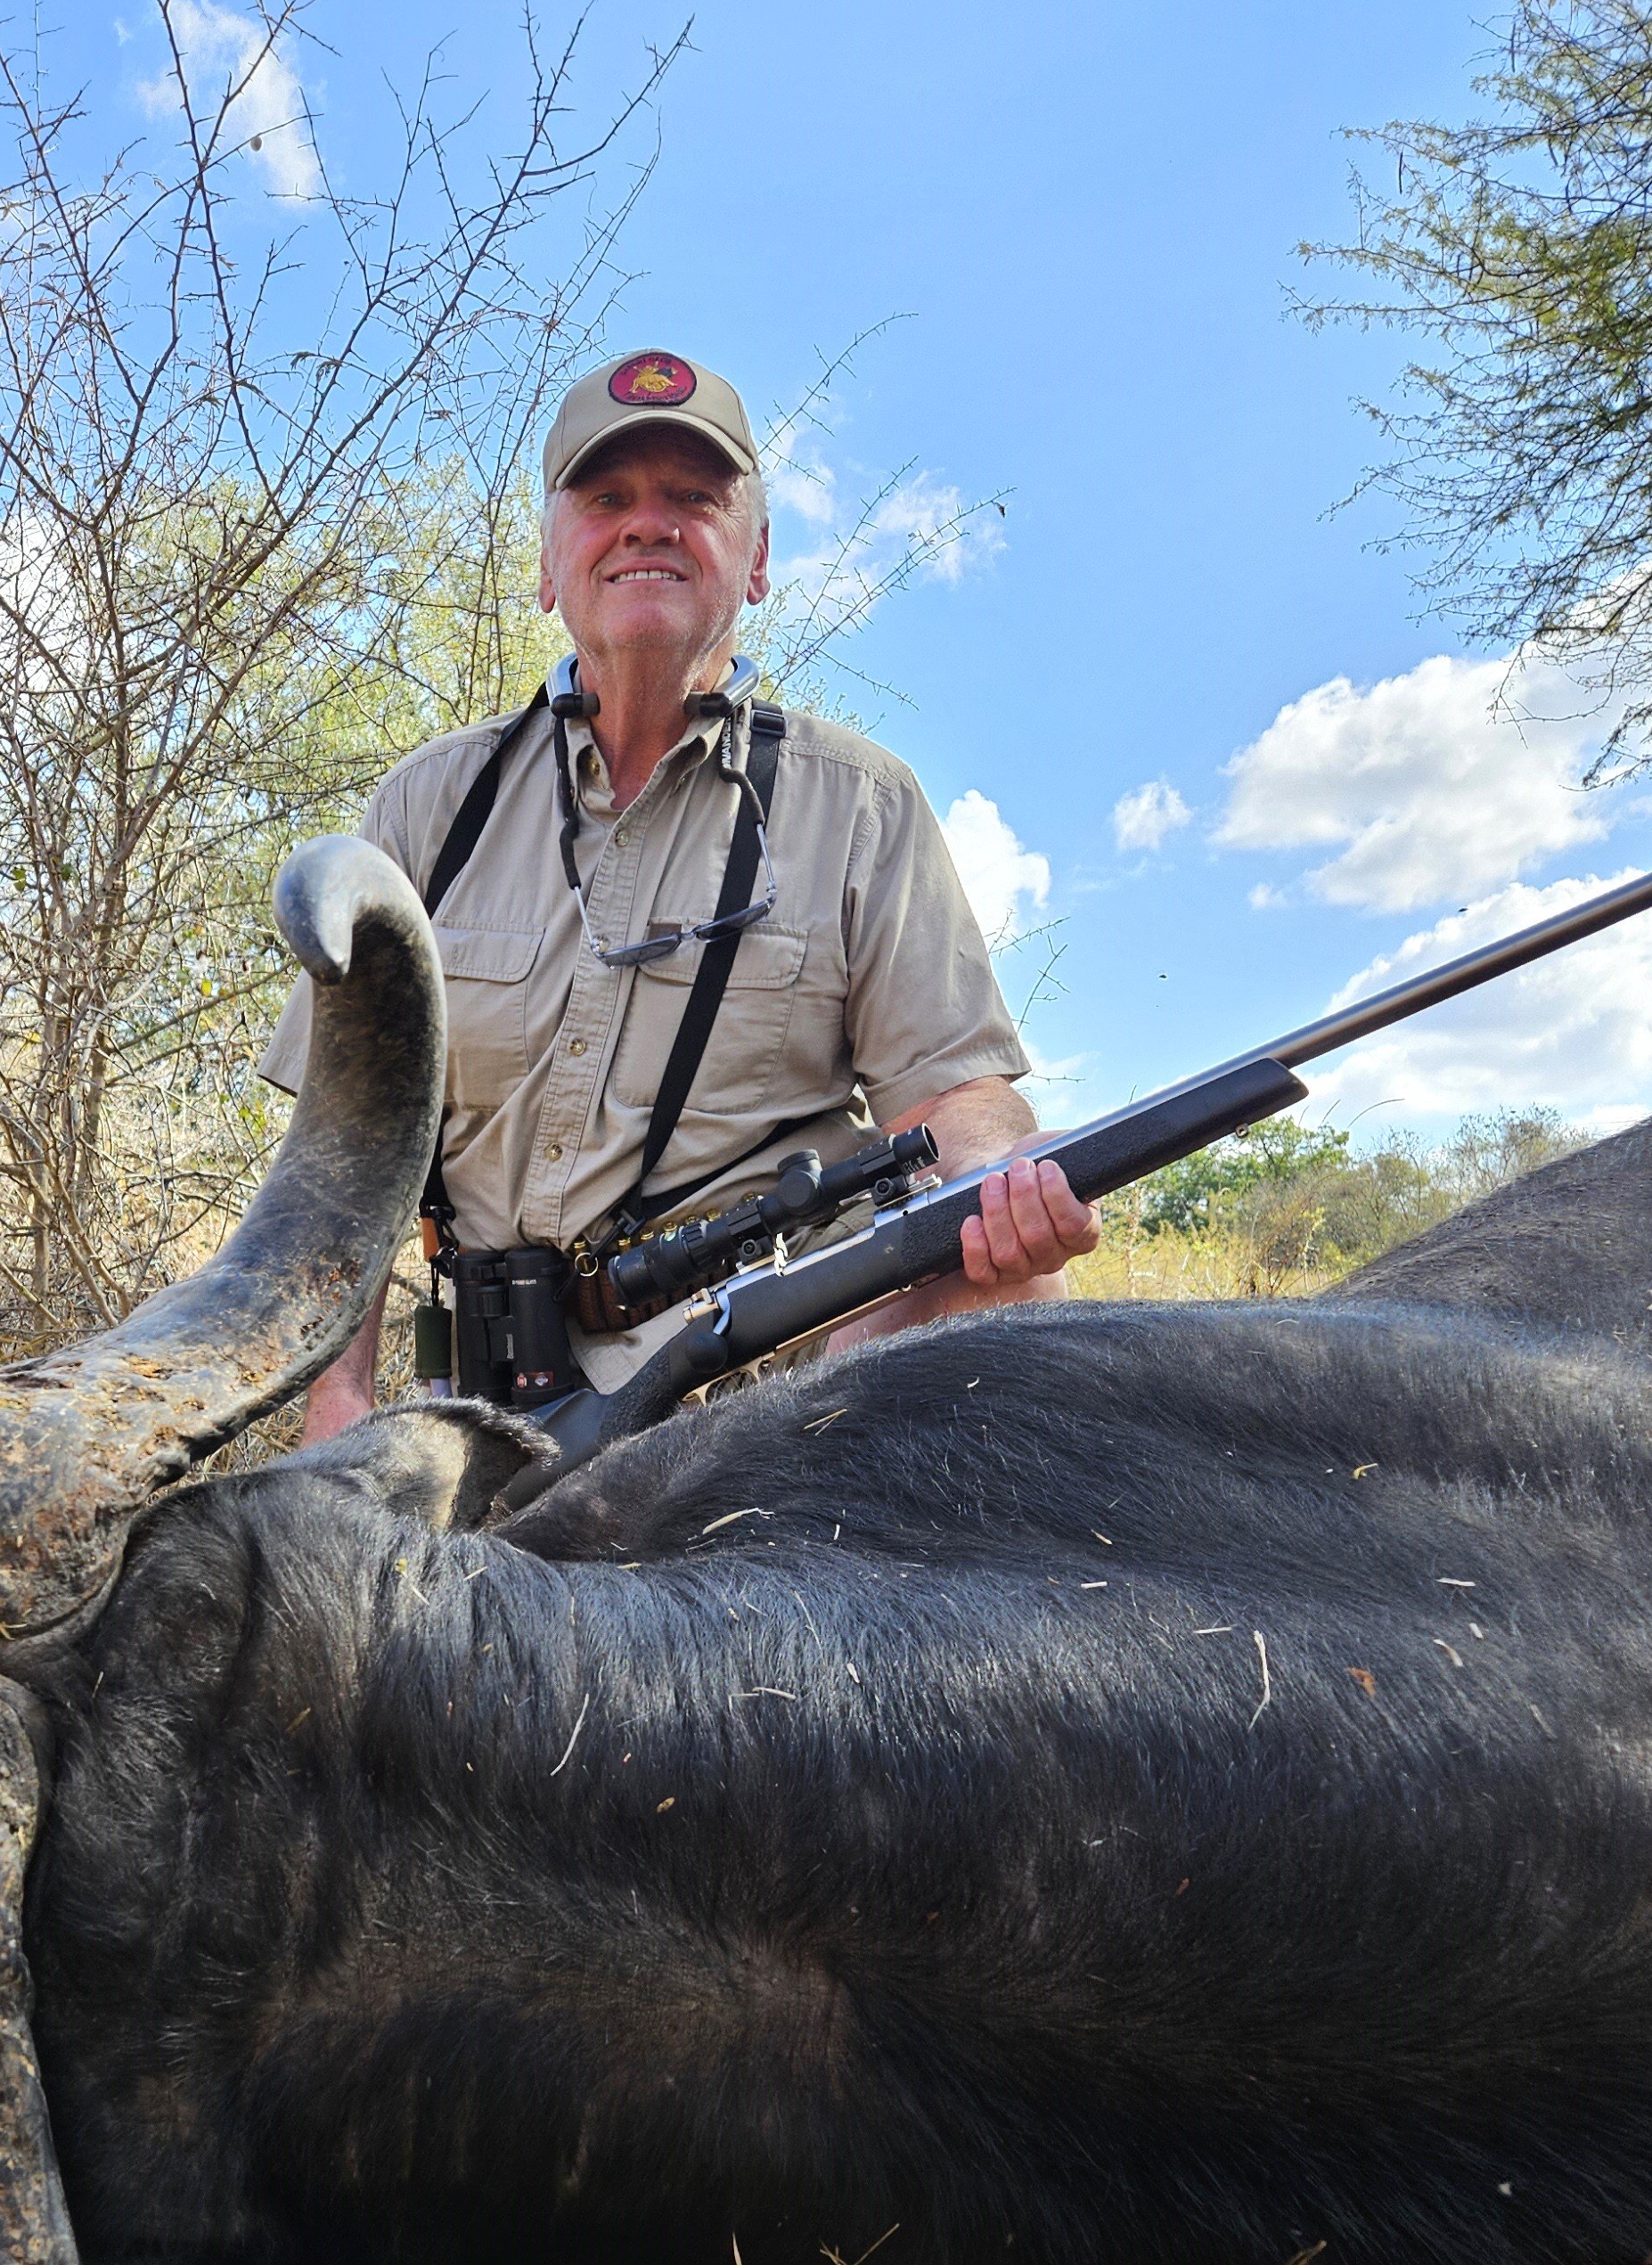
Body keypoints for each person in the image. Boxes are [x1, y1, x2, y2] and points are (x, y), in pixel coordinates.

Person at [258, 347, 1099, 1443]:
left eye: (693, 499)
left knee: (1010, 1292)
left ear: (754, 560)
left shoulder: (863, 804)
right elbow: (342, 1152)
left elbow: (956, 1103)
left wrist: (995, 1175)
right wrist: (339, 1409)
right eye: (607, 498)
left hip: (774, 1396)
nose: (647, 525)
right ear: (548, 561)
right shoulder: (429, 805)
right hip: (486, 1410)